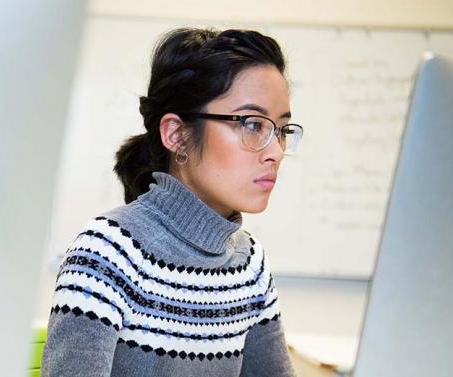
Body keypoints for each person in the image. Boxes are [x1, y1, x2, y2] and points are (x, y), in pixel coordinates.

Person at [41, 27, 303, 377]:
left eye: (282, 130)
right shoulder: (107, 253)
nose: (275, 152)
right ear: (176, 134)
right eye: (252, 124)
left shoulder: (249, 264)